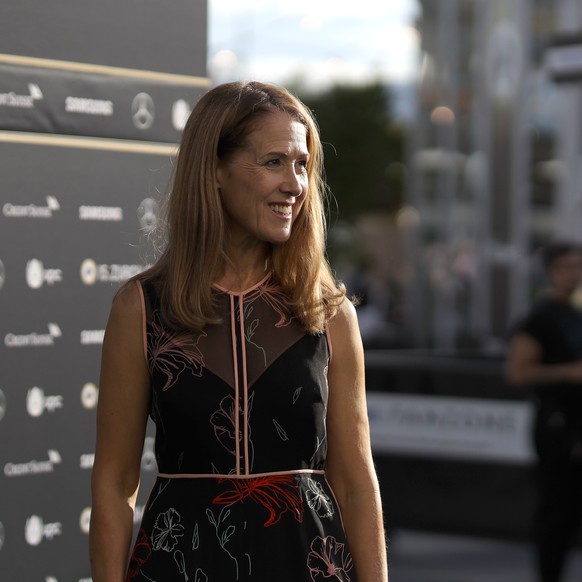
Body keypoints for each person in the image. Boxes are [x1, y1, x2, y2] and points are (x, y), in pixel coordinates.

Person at [89, 81, 388, 581]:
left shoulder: (329, 312)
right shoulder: (141, 307)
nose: (294, 184)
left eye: (301, 165)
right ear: (215, 172)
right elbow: (114, 484)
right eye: (274, 162)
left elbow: (356, 483)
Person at [506, 241, 582, 582]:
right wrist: (568, 372)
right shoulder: (540, 318)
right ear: (551, 272)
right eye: (567, 266)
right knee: (557, 511)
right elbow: (517, 372)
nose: (575, 273)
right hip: (558, 426)